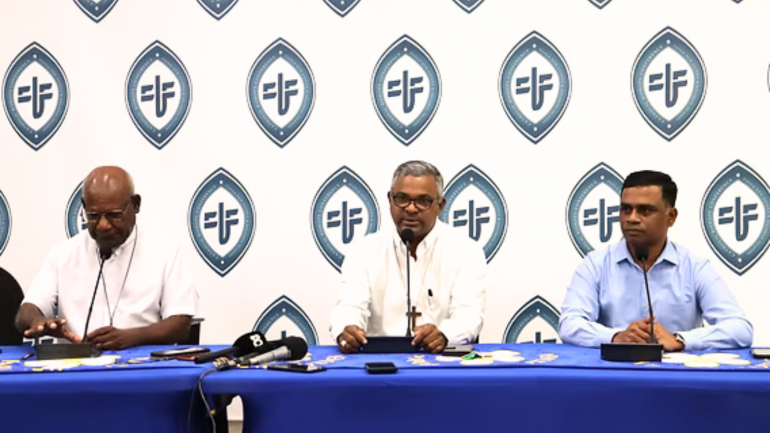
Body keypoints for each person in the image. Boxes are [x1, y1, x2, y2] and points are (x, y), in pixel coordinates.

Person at [559, 170, 753, 351]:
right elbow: (569, 324)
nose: (631, 218)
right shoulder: (596, 265)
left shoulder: (694, 267)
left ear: (671, 217)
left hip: (674, 381)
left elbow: (740, 329)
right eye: (626, 209)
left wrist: (680, 340)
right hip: (613, 379)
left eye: (644, 210)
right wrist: (616, 337)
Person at [15, 166, 198, 350]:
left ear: (135, 205)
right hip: (76, 369)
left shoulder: (166, 253)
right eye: (93, 216)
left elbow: (180, 323)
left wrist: (133, 337)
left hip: (141, 367)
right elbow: (27, 311)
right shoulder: (63, 254)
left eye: (114, 215)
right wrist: (38, 321)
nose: (103, 225)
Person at [331, 161, 487, 354]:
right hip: (379, 366)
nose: (411, 209)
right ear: (390, 200)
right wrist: (347, 329)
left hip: (440, 364)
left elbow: (469, 315)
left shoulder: (465, 250)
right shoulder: (364, 250)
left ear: (440, 205)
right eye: (402, 198)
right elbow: (349, 306)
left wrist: (444, 335)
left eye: (423, 201)